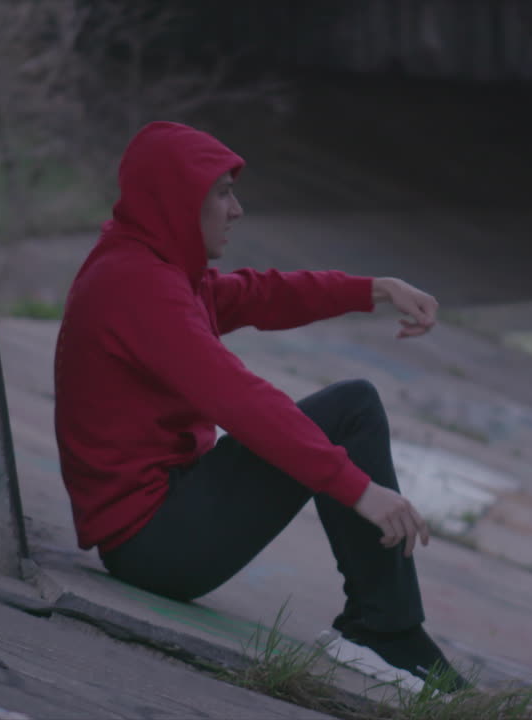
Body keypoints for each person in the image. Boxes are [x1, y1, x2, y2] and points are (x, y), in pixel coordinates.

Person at [53, 121, 469, 693]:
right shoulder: (137, 287)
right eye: (221, 193)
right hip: (154, 542)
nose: (237, 209)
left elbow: (257, 294)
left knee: (352, 404)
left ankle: (385, 628)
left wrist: (373, 288)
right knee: (351, 408)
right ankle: (383, 631)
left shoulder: (154, 268)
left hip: (166, 517)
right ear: (178, 201)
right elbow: (242, 400)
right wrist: (358, 489)